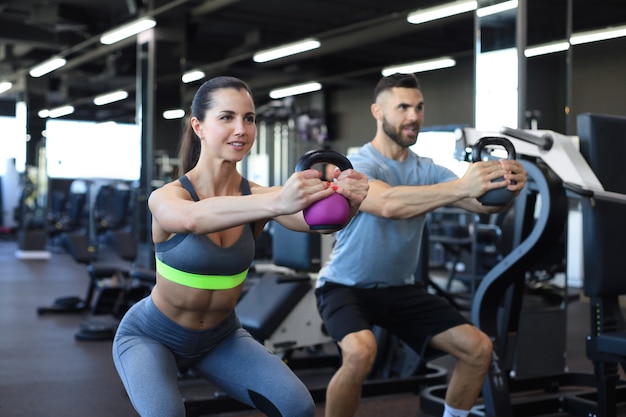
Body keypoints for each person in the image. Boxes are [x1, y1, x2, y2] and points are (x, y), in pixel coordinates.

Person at [112, 75, 369, 417]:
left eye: (249, 118)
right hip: (151, 334)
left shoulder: (262, 197)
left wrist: (348, 201)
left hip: (221, 337)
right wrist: (277, 202)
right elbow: (192, 219)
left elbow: (317, 224)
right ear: (198, 126)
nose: (241, 129)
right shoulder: (169, 196)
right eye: (226, 117)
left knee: (298, 407)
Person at [314, 73, 527, 417]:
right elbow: (388, 205)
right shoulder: (358, 166)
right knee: (360, 353)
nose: (413, 116)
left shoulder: (426, 169)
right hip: (345, 287)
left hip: (400, 290)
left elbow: (481, 204)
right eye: (402, 107)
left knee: (478, 348)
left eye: (418, 107)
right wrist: (462, 186)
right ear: (378, 112)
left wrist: (507, 187)